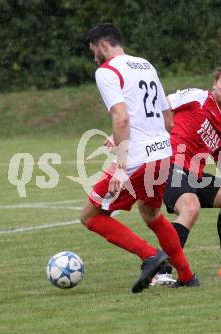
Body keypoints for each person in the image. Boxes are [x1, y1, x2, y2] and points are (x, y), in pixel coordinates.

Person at [79, 23, 198, 293]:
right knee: (151, 212)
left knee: (91, 216)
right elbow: (167, 118)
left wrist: (121, 166)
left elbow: (121, 116)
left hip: (137, 158)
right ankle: (187, 276)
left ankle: (149, 256)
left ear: (103, 46)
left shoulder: (106, 71)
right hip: (162, 154)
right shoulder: (145, 65)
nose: (94, 57)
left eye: (93, 51)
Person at [151, 63, 221, 286]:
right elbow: (157, 107)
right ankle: (159, 271)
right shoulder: (197, 97)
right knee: (190, 208)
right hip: (168, 165)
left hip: (193, 173)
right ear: (215, 83)